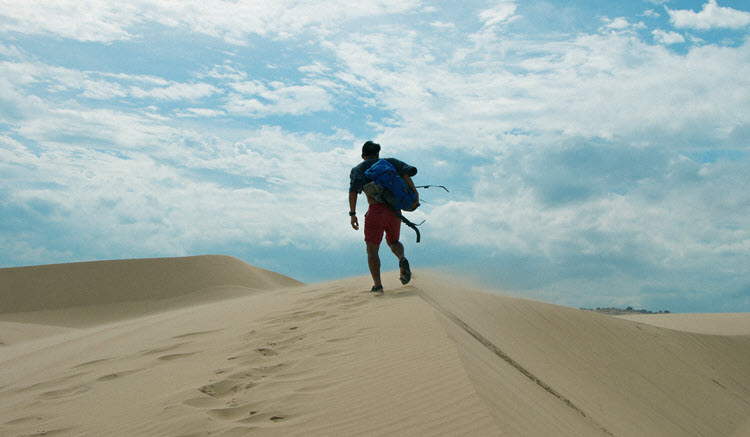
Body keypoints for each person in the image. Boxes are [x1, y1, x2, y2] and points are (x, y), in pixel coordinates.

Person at [349, 141, 418, 292]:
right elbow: (406, 174)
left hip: (375, 211)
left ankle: (378, 285)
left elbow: (353, 191)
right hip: (394, 212)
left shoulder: (358, 169)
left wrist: (353, 214)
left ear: (362, 156)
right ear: (378, 154)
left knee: (372, 250)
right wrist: (415, 196)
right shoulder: (389, 162)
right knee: (394, 241)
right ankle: (402, 258)